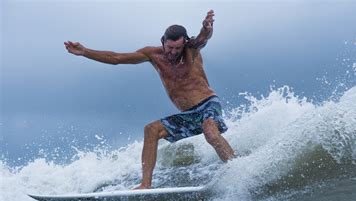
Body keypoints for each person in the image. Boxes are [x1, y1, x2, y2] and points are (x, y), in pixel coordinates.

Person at [64, 10, 235, 189]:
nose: (174, 52)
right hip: (189, 114)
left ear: (184, 43)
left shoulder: (191, 50)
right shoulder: (152, 55)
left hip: (208, 103)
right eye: (170, 48)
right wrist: (85, 51)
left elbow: (202, 38)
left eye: (178, 48)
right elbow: (116, 58)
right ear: (163, 41)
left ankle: (236, 169)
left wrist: (207, 28)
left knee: (210, 131)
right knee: (151, 130)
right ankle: (145, 184)